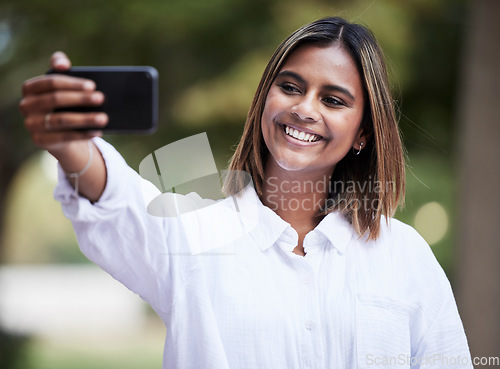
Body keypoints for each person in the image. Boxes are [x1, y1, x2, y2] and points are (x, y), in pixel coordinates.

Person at [20, 17, 472, 368]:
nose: (304, 108)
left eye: (333, 100)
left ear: (363, 134)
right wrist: (72, 148)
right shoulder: (192, 238)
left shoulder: (405, 256)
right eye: (290, 87)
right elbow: (119, 203)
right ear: (264, 100)